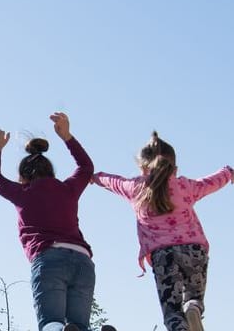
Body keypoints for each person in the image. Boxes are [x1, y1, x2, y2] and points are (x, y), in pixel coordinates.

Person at [91, 131, 234, 331]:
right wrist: (228, 172)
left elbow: (113, 181)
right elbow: (211, 182)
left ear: (141, 167)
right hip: (195, 250)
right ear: (174, 167)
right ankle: (193, 308)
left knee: (172, 312)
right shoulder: (185, 185)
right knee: (193, 298)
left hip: (164, 255)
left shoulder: (135, 188)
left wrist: (95, 177)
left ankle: (181, 325)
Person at [0, 113, 110, 331]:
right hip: (82, 261)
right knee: (79, 326)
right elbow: (86, 168)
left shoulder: (23, 192)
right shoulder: (67, 189)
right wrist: (67, 137)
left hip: (49, 258)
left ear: (23, 177)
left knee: (50, 324)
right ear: (51, 172)